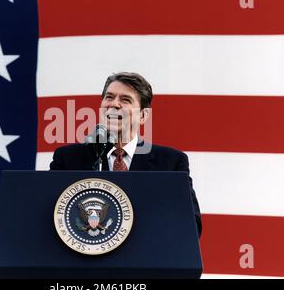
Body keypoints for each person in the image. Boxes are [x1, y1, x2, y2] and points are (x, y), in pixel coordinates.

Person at [50, 72, 202, 237]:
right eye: (109, 97)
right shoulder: (67, 158)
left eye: (125, 100)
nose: (114, 104)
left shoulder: (171, 163)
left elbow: (190, 225)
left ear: (143, 115)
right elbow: (50, 217)